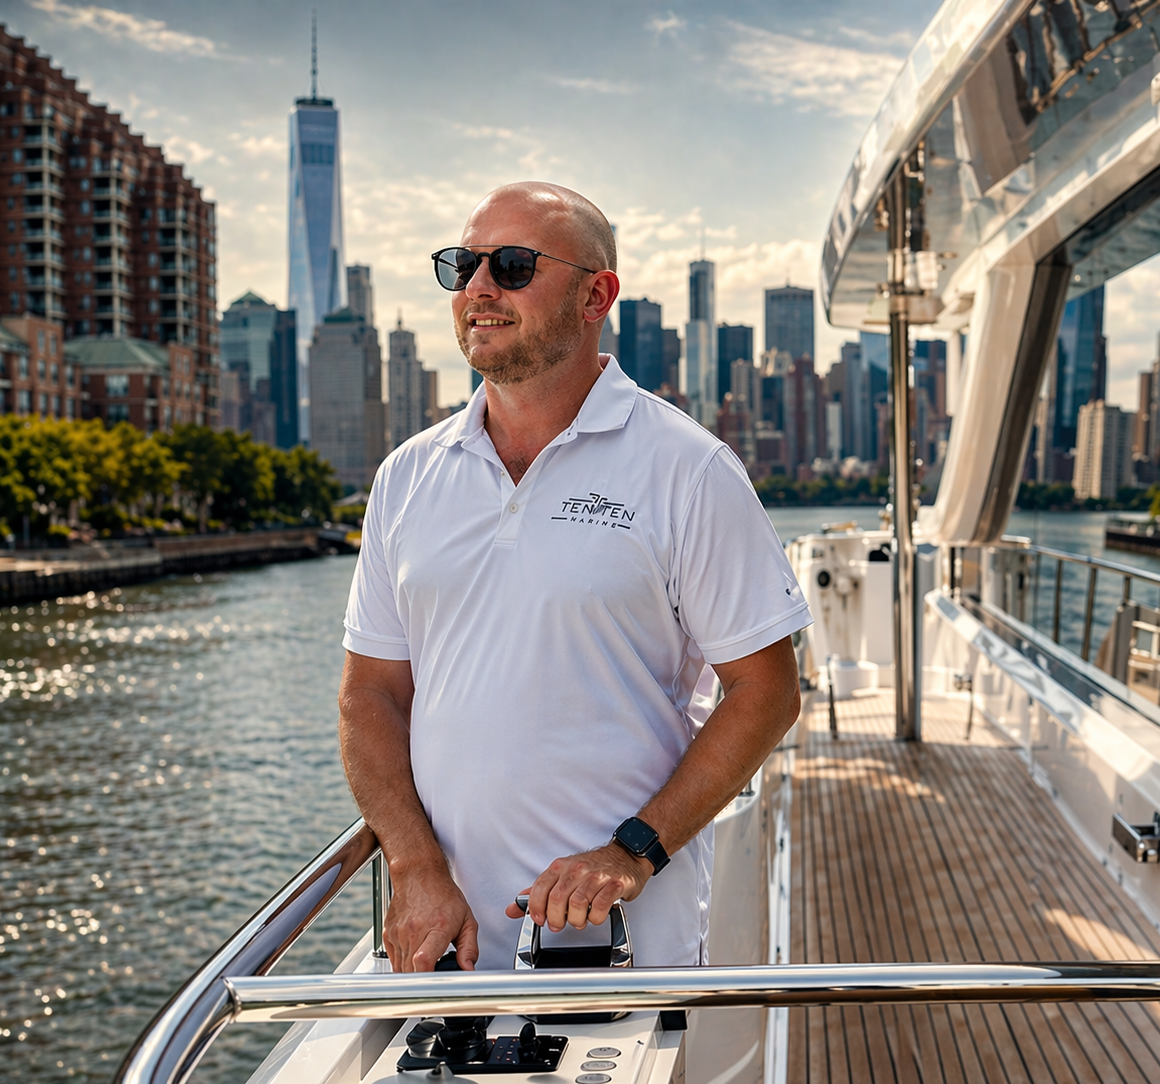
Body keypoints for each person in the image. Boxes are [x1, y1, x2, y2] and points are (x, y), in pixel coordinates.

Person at [339, 181, 810, 972]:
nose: (478, 287)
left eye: (513, 266)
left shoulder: (687, 469)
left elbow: (766, 690)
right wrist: (414, 865)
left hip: (622, 944)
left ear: (596, 296)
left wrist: (632, 852)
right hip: (441, 941)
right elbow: (371, 694)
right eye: (462, 265)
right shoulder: (406, 476)